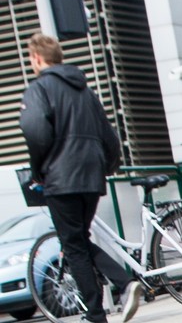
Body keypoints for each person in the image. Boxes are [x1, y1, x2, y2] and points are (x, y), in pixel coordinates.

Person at [19, 33, 142, 323]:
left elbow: (35, 132)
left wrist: (38, 171)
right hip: (91, 179)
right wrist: (105, 168)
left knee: (73, 245)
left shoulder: (38, 89)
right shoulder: (87, 93)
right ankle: (118, 290)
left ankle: (102, 309)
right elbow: (110, 139)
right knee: (78, 240)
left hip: (61, 179)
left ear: (37, 58)